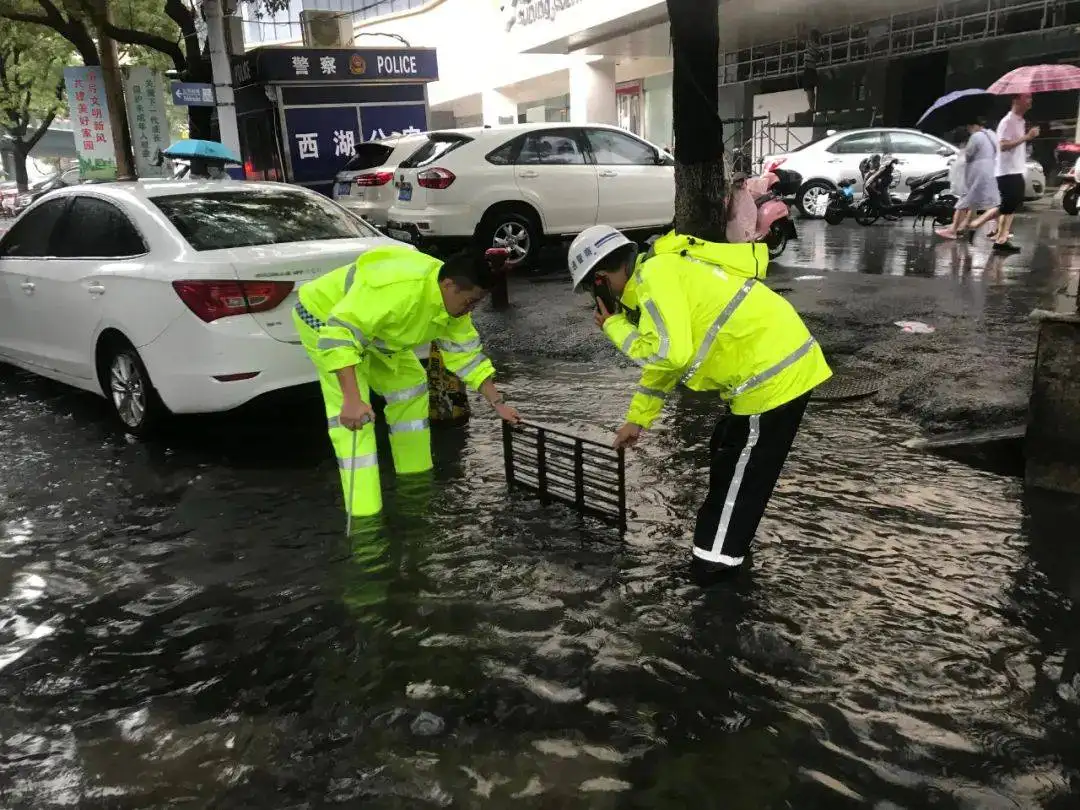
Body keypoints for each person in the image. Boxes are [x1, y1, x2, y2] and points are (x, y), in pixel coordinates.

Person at [568, 226, 832, 582]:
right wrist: (637, 420)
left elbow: (669, 355)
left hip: (772, 376)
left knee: (740, 479)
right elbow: (664, 363)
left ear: (600, 278)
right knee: (726, 452)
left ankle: (712, 571)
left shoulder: (654, 279)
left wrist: (614, 327)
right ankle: (728, 547)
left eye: (591, 288)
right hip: (767, 372)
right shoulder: (658, 272)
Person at [294, 245, 520, 520]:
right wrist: (352, 400)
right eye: (469, 301)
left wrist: (498, 403)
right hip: (324, 319)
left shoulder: (452, 307)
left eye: (476, 303)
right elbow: (338, 336)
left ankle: (415, 487)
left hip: (376, 333)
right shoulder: (399, 292)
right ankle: (365, 518)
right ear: (448, 286)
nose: (470, 309)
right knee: (356, 422)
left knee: (410, 386)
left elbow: (466, 356)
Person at [968, 94, 1039, 253]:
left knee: (1012, 206)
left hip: (1017, 169)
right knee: (1007, 204)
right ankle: (976, 224)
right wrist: (1027, 137)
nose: (1030, 101)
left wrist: (1027, 137)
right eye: (1026, 98)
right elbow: (1002, 145)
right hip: (1006, 171)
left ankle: (1001, 239)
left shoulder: (1020, 121)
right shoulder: (1007, 122)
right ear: (1016, 101)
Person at [936, 119, 999, 240]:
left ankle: (953, 230)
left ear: (973, 126)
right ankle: (992, 229)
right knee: (985, 202)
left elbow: (969, 155)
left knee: (965, 199)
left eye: (969, 127)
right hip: (990, 171)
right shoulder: (991, 135)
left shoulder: (976, 137)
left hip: (977, 171)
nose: (969, 130)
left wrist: (962, 157)